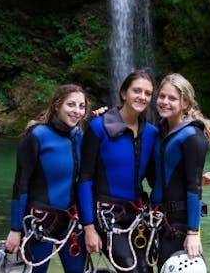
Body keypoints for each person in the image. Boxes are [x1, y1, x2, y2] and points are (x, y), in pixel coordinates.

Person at [77, 70, 158, 273]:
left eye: (147, 93)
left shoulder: (152, 133)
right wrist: (88, 228)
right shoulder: (98, 127)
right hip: (106, 215)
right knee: (130, 270)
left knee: (146, 270)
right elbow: (84, 179)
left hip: (139, 216)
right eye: (136, 91)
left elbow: (156, 179)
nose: (142, 97)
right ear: (123, 93)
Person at [5, 84, 90, 273]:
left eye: (81, 106)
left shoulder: (79, 135)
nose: (76, 111)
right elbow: (21, 184)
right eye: (71, 105)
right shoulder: (35, 136)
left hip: (70, 221)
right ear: (57, 105)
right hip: (40, 222)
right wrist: (15, 229)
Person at [150, 73, 210, 270]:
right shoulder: (161, 132)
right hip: (159, 218)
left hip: (179, 223)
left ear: (185, 103)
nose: (164, 102)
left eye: (172, 98)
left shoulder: (192, 137)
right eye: (162, 96)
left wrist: (193, 233)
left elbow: (193, 187)